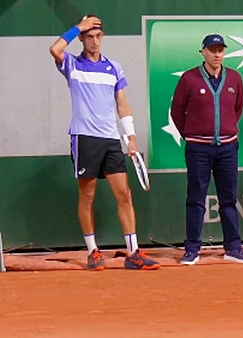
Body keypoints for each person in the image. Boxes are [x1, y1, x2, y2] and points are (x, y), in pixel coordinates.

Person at [49, 15, 159, 270]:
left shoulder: (114, 68)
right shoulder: (72, 64)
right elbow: (54, 49)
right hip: (85, 138)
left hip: (111, 140)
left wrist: (130, 136)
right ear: (82, 38)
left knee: (125, 195)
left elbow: (122, 103)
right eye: (89, 36)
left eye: (98, 36)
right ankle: (93, 252)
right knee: (87, 196)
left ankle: (133, 254)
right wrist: (78, 26)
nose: (95, 41)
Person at [170, 34, 243, 264]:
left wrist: (226, 129)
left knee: (229, 199)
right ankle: (192, 249)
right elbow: (177, 110)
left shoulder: (235, 78)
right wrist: (190, 134)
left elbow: (238, 107)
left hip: (227, 147)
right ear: (203, 52)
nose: (217, 54)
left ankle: (233, 248)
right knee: (196, 198)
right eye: (212, 50)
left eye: (220, 50)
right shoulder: (189, 78)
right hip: (198, 148)